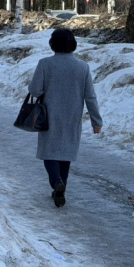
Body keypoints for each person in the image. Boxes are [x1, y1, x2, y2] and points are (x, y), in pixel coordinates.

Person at [28, 28, 103, 208]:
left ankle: (56, 183)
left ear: (52, 44)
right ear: (73, 44)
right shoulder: (83, 67)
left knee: (49, 152)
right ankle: (60, 189)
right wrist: (96, 121)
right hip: (72, 117)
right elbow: (90, 97)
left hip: (49, 115)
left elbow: (35, 90)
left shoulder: (45, 64)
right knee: (65, 154)